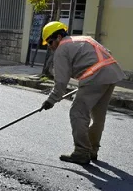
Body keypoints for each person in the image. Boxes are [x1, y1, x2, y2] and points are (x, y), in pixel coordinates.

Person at [40, 21, 126, 165]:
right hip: (111, 74)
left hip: (96, 77)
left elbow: (61, 82)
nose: (50, 47)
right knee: (98, 116)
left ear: (59, 37)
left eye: (50, 42)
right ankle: (92, 150)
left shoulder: (62, 49)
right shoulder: (84, 39)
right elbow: (107, 53)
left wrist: (51, 100)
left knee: (77, 112)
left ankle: (81, 152)